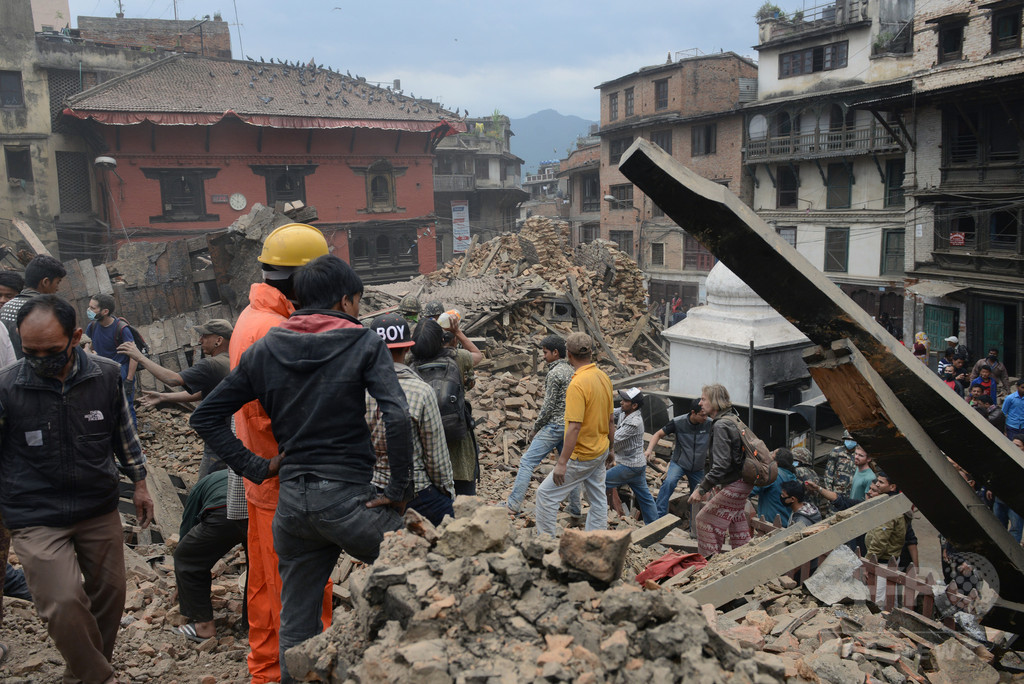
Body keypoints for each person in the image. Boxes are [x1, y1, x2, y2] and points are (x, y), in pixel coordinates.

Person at [191, 254, 413, 684]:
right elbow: (397, 416)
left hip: (291, 506)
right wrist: (399, 487)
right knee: (425, 569)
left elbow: (205, 417)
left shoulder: (264, 348)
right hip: (349, 500)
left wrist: (256, 466)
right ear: (347, 300)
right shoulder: (362, 342)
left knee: (296, 623)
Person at [0, 294, 153, 683]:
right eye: (29, 351)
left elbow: (124, 434)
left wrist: (140, 484)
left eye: (50, 350)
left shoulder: (104, 375)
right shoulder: (7, 387)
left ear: (75, 337)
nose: (39, 360)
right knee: (63, 601)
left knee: (111, 595)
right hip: (35, 514)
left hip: (96, 507)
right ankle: (99, 677)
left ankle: (82, 673)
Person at [220, 222, 330, 684]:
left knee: (267, 589)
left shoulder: (252, 317)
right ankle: (303, 675)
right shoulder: (276, 332)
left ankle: (265, 673)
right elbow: (283, 417)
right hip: (286, 485)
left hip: (264, 482)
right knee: (301, 593)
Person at [368, 313, 455, 526]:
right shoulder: (422, 391)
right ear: (407, 348)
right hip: (416, 491)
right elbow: (436, 457)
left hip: (372, 490)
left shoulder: (359, 388)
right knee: (453, 530)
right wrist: (447, 491)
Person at [119, 319, 233, 478]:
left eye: (205, 336)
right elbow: (202, 394)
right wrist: (163, 396)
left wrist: (140, 358)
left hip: (218, 438)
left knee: (205, 488)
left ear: (219, 340)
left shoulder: (211, 364)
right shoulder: (231, 360)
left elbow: (173, 379)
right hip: (232, 434)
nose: (200, 340)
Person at [534, 333, 613, 536]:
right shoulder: (603, 377)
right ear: (591, 353)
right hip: (601, 449)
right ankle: (596, 542)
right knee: (597, 499)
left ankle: (546, 545)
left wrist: (562, 462)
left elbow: (574, 427)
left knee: (545, 495)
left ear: (568, 354)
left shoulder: (577, 384)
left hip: (583, 454)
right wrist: (611, 448)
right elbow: (611, 418)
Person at [506, 334, 581, 517]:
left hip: (554, 426)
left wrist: (536, 428)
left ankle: (513, 504)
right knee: (568, 467)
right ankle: (575, 509)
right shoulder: (573, 371)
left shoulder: (554, 373)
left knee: (527, 461)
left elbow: (548, 406)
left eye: (545, 352)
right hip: (569, 426)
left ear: (556, 353)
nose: (543, 356)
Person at [173, 470, 247, 643]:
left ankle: (203, 627)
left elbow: (187, 529)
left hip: (225, 512)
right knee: (258, 568)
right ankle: (254, 624)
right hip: (259, 511)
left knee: (187, 558)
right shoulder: (238, 472)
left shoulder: (201, 485)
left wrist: (183, 581)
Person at [413, 311, 482, 495]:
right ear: (442, 338)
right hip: (457, 441)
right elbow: (478, 354)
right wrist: (457, 332)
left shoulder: (410, 362)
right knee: (465, 507)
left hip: (426, 449)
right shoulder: (458, 357)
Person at [688, 384, 751, 559]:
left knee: (703, 520)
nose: (700, 403)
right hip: (742, 481)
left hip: (735, 482)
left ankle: (708, 565)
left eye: (703, 399)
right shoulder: (732, 418)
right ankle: (745, 559)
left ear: (714, 401)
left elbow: (721, 465)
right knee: (737, 521)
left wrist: (702, 489)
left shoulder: (721, 425)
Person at [646, 398, 711, 519]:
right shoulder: (678, 422)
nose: (705, 418)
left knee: (699, 495)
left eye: (707, 415)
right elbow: (658, 434)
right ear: (693, 413)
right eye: (702, 415)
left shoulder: (710, 424)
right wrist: (649, 450)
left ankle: (694, 528)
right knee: (669, 483)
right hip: (679, 463)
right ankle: (658, 519)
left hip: (698, 467)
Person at [606, 388, 658, 524]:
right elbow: (610, 412)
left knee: (601, 482)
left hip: (629, 465)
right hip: (637, 464)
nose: (621, 403)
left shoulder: (634, 422)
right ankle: (654, 525)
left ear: (634, 405)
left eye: (625, 401)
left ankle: (600, 515)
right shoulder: (626, 412)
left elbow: (612, 439)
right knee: (645, 497)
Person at [86, 293, 139, 426]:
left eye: (93, 308)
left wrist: (129, 380)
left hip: (120, 373)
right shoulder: (92, 327)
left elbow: (134, 356)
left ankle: (133, 440)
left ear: (105, 311)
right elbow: (89, 346)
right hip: (102, 373)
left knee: (126, 407)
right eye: (89, 307)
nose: (89, 311)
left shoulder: (121, 329)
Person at [0, 255, 66, 359]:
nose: (57, 288)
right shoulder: (48, 309)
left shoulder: (5, 307)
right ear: (45, 282)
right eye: (57, 283)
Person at [864, 472, 906, 563]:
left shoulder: (889, 508)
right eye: (877, 481)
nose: (877, 484)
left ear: (892, 487)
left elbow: (879, 541)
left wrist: (867, 561)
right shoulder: (887, 502)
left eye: (881, 482)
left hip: (882, 560)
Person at [750, 450, 798, 526]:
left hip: (770, 525)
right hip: (786, 524)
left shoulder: (773, 474)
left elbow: (749, 491)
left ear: (776, 462)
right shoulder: (793, 478)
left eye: (771, 455)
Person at [821, 430, 858, 514]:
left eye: (852, 440)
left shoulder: (859, 454)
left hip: (851, 494)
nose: (850, 442)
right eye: (848, 439)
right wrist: (829, 491)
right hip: (836, 492)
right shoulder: (837, 451)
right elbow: (828, 473)